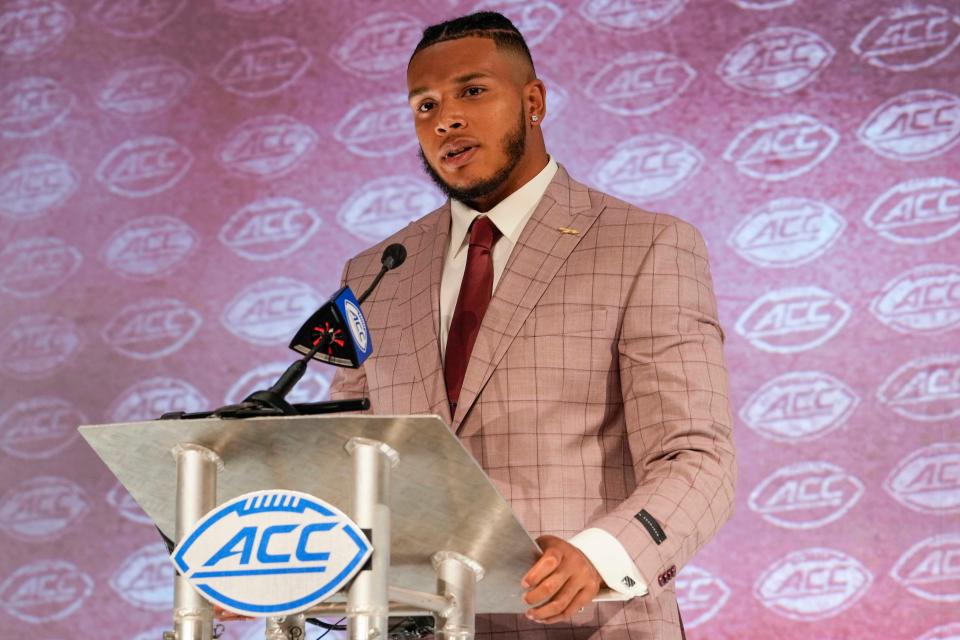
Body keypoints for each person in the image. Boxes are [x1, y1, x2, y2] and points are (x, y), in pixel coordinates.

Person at [330, 11, 735, 640]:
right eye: (424, 105)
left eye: (471, 91)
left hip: (590, 623)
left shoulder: (645, 244)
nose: (446, 119)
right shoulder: (378, 271)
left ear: (534, 101)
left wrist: (600, 557)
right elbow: (347, 455)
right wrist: (271, 564)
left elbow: (697, 458)